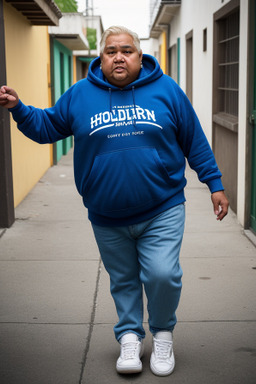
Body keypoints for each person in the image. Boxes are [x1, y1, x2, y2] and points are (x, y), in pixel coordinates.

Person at [0, 25, 229, 377]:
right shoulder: (80, 95)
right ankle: (129, 337)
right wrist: (19, 108)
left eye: (126, 50)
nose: (118, 56)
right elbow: (47, 127)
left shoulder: (166, 90)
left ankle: (163, 332)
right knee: (122, 279)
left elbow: (193, 139)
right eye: (110, 51)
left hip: (162, 206)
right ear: (101, 57)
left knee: (162, 274)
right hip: (106, 214)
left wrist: (213, 182)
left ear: (140, 56)